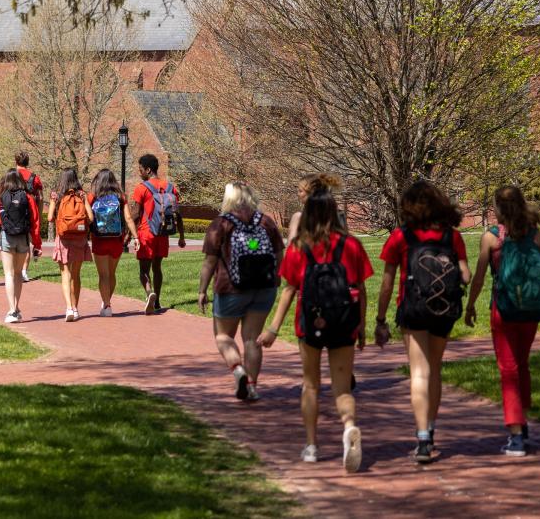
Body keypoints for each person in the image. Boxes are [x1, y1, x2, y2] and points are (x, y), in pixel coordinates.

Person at [259, 178, 371, 474]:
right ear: (335, 213)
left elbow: (288, 289)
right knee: (342, 387)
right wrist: (361, 327)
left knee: (310, 384)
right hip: (344, 322)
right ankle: (349, 427)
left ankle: (311, 445)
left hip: (309, 322)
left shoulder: (298, 247)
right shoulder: (352, 245)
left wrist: (272, 328)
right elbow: (361, 288)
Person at [373, 180, 472, 464]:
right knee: (435, 369)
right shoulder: (451, 237)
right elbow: (465, 275)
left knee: (419, 372)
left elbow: (387, 283)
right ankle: (431, 427)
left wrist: (381, 320)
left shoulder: (401, 236)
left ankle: (422, 438)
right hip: (443, 308)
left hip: (412, 308)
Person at [465, 185, 540, 457]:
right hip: (531, 311)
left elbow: (481, 277)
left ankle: (516, 435)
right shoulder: (535, 236)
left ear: (497, 208)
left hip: (503, 310)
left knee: (508, 370)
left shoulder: (492, 238)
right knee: (522, 364)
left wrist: (470, 306)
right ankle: (524, 420)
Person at [199, 181, 284, 401]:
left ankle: (238, 371)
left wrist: (202, 290)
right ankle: (253, 387)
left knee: (223, 336)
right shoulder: (266, 222)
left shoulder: (221, 224)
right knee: (252, 339)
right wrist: (276, 277)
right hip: (264, 288)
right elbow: (279, 254)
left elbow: (209, 262)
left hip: (231, 288)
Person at [128, 154, 186, 314]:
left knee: (143, 270)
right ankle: (158, 301)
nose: (140, 173)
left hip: (147, 233)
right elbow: (177, 214)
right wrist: (181, 236)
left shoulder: (142, 188)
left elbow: (136, 215)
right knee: (157, 267)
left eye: (140, 170)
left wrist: (128, 234)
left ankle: (149, 293)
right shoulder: (170, 187)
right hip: (162, 233)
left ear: (148, 170)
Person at [0, 168, 41, 323]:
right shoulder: (27, 197)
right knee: (18, 273)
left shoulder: (1, 196)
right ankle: (16, 307)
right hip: (23, 237)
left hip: (7, 236)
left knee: (9, 274)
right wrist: (37, 243)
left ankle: (12, 309)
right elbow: (35, 220)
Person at [88, 169, 135, 317]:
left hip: (99, 240)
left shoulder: (93, 197)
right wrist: (136, 237)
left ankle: (106, 305)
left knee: (103, 275)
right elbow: (128, 218)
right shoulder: (121, 197)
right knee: (112, 274)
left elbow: (87, 216)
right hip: (116, 240)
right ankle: (107, 302)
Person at [50, 168, 93, 322]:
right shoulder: (82, 195)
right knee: (76, 275)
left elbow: (49, 217)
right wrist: (86, 201)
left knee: (65, 274)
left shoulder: (57, 195)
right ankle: (75, 309)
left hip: (63, 238)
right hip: (80, 238)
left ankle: (68, 307)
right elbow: (91, 218)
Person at [13, 151, 44, 282]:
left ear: (16, 161)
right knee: (27, 241)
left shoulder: (11, 175)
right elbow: (40, 197)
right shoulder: (34, 177)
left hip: (13, 209)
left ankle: (14, 270)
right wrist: (39, 212)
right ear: (27, 162)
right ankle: (24, 271)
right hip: (30, 208)